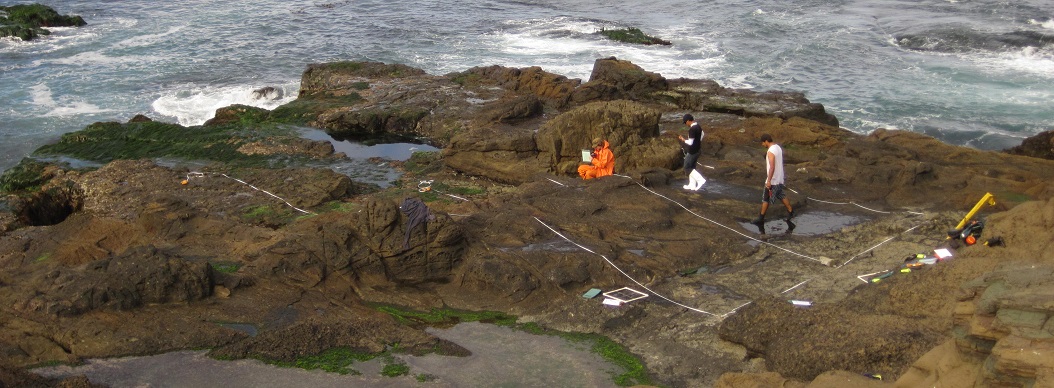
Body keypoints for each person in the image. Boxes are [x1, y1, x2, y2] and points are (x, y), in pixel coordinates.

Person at [750, 133, 794, 229]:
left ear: (766, 141)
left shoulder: (770, 151)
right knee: (780, 194)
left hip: (773, 179)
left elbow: (772, 166)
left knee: (766, 199)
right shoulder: (778, 147)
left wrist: (769, 180)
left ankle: (761, 218)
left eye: (762, 143)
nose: (762, 145)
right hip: (779, 177)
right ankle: (790, 211)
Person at [678, 114, 706, 191]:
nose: (685, 124)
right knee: (692, 167)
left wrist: (683, 140)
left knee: (687, 168)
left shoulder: (692, 129)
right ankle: (692, 185)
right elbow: (702, 134)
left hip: (692, 151)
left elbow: (690, 143)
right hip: (697, 150)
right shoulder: (698, 126)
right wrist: (698, 141)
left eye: (685, 122)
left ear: (688, 121)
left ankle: (700, 180)